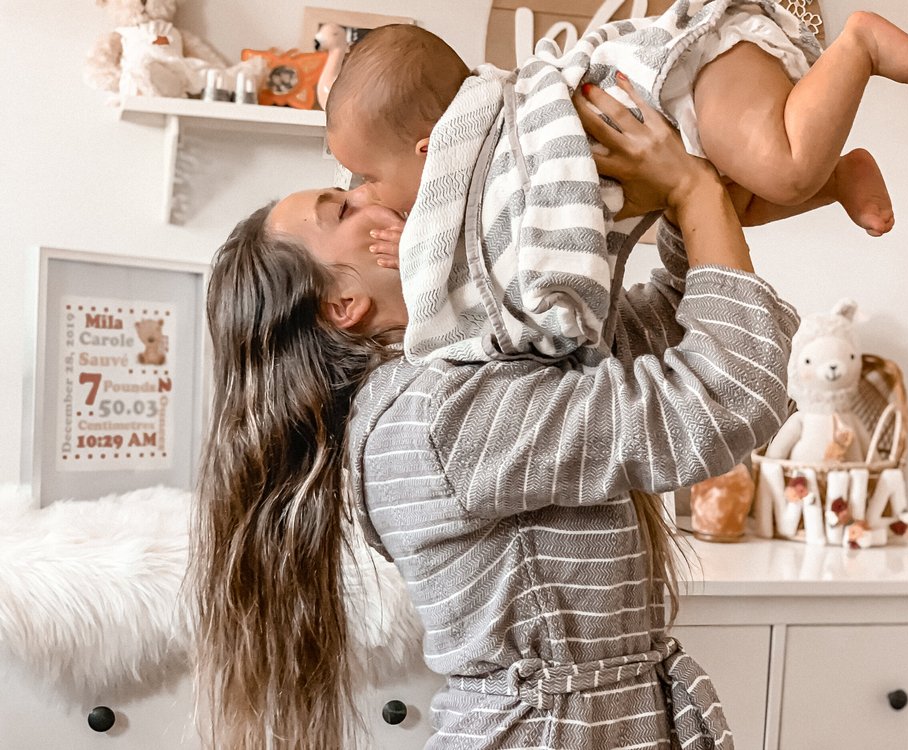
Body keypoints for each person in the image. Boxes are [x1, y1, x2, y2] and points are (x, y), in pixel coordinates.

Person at [190, 77, 798, 749]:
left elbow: (664, 334)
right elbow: (720, 399)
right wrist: (695, 194)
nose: (370, 193)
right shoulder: (435, 419)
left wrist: (690, 200)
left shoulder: (463, 364)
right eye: (343, 205)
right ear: (342, 306)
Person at [324, 8, 908, 365]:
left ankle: (858, 43)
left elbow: (491, 251)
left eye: (368, 178)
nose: (368, 195)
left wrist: (423, 240)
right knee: (742, 202)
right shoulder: (488, 183)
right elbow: (492, 253)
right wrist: (423, 240)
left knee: (784, 167)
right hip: (686, 125)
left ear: (433, 151)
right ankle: (837, 179)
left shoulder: (502, 135)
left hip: (690, 73)